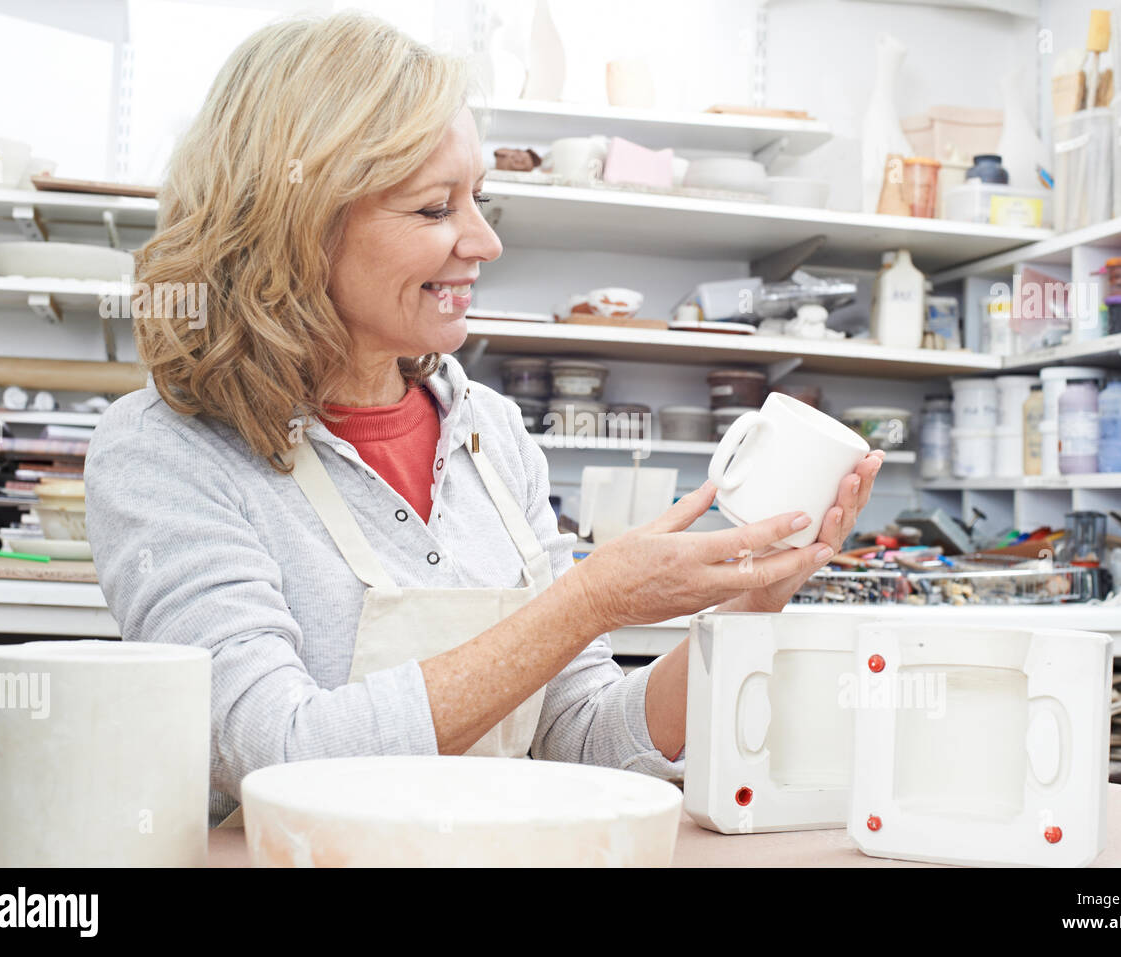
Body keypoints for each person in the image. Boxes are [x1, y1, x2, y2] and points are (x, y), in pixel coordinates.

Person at [84, 12, 884, 826]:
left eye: (479, 199)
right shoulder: (165, 452)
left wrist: (752, 599)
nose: (486, 241)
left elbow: (582, 737)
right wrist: (586, 601)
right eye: (436, 209)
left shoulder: (491, 434)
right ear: (299, 226)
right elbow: (280, 754)